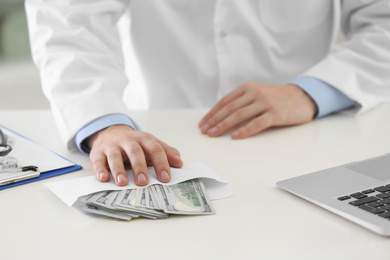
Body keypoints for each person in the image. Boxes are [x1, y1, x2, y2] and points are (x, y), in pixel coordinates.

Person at [25, 0, 390, 187]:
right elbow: (68, 21)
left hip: (309, 139)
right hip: (155, 137)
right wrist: (103, 124)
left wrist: (312, 92)